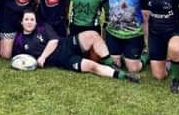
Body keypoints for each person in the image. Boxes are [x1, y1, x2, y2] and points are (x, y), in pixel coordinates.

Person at [12, 10, 140, 83]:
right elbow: (20, 59)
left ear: (35, 21)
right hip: (63, 60)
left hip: (67, 45)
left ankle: (112, 63)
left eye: (32, 19)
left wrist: (42, 57)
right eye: (27, 19)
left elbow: (54, 41)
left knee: (92, 35)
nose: (29, 22)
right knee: (91, 66)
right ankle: (124, 76)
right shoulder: (19, 40)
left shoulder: (43, 27)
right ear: (21, 22)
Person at [104, 0, 145, 74]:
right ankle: (122, 55)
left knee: (133, 69)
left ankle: (145, 56)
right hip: (113, 32)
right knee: (114, 65)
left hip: (133, 33)